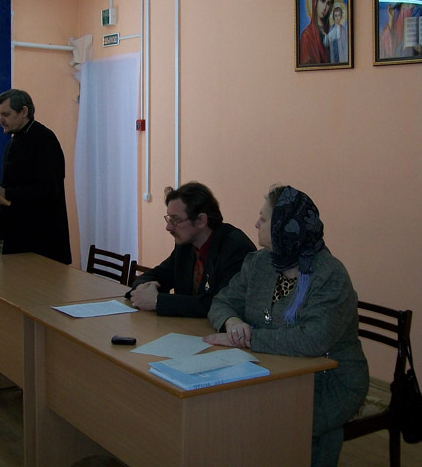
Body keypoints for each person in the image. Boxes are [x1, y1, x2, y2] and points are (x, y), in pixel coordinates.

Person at [204, 184, 368, 467]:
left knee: (272, 424)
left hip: (328, 382)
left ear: (284, 226)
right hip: (269, 369)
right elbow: (221, 302)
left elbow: (312, 340)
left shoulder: (329, 275)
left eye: (264, 218)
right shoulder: (259, 263)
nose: (256, 224)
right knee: (223, 412)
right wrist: (232, 322)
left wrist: (247, 338)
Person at [127, 182, 255, 317]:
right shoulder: (186, 245)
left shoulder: (235, 248)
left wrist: (157, 301)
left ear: (201, 220)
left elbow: (219, 304)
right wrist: (143, 288)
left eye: (175, 220)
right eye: (169, 219)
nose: (168, 227)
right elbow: (156, 275)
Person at [0, 89, 71, 264]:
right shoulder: (14, 140)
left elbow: (49, 189)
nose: (1, 120)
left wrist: (6, 193)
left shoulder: (45, 140)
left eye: (6, 114)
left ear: (24, 112)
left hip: (41, 240)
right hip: (16, 236)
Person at [299, 0, 334, 65]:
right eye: (322, 1)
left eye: (328, 3)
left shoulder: (332, 33)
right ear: (315, 1)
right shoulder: (307, 35)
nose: (325, 7)